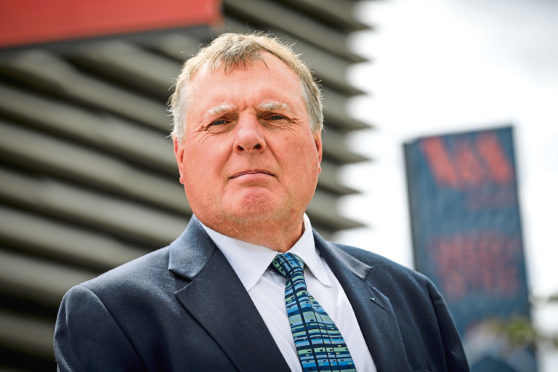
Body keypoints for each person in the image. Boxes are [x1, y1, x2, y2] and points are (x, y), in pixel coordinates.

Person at [54, 32, 469, 372]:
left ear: (317, 147)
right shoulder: (112, 315)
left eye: (274, 117)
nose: (249, 137)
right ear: (181, 157)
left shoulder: (416, 301)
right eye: (220, 121)